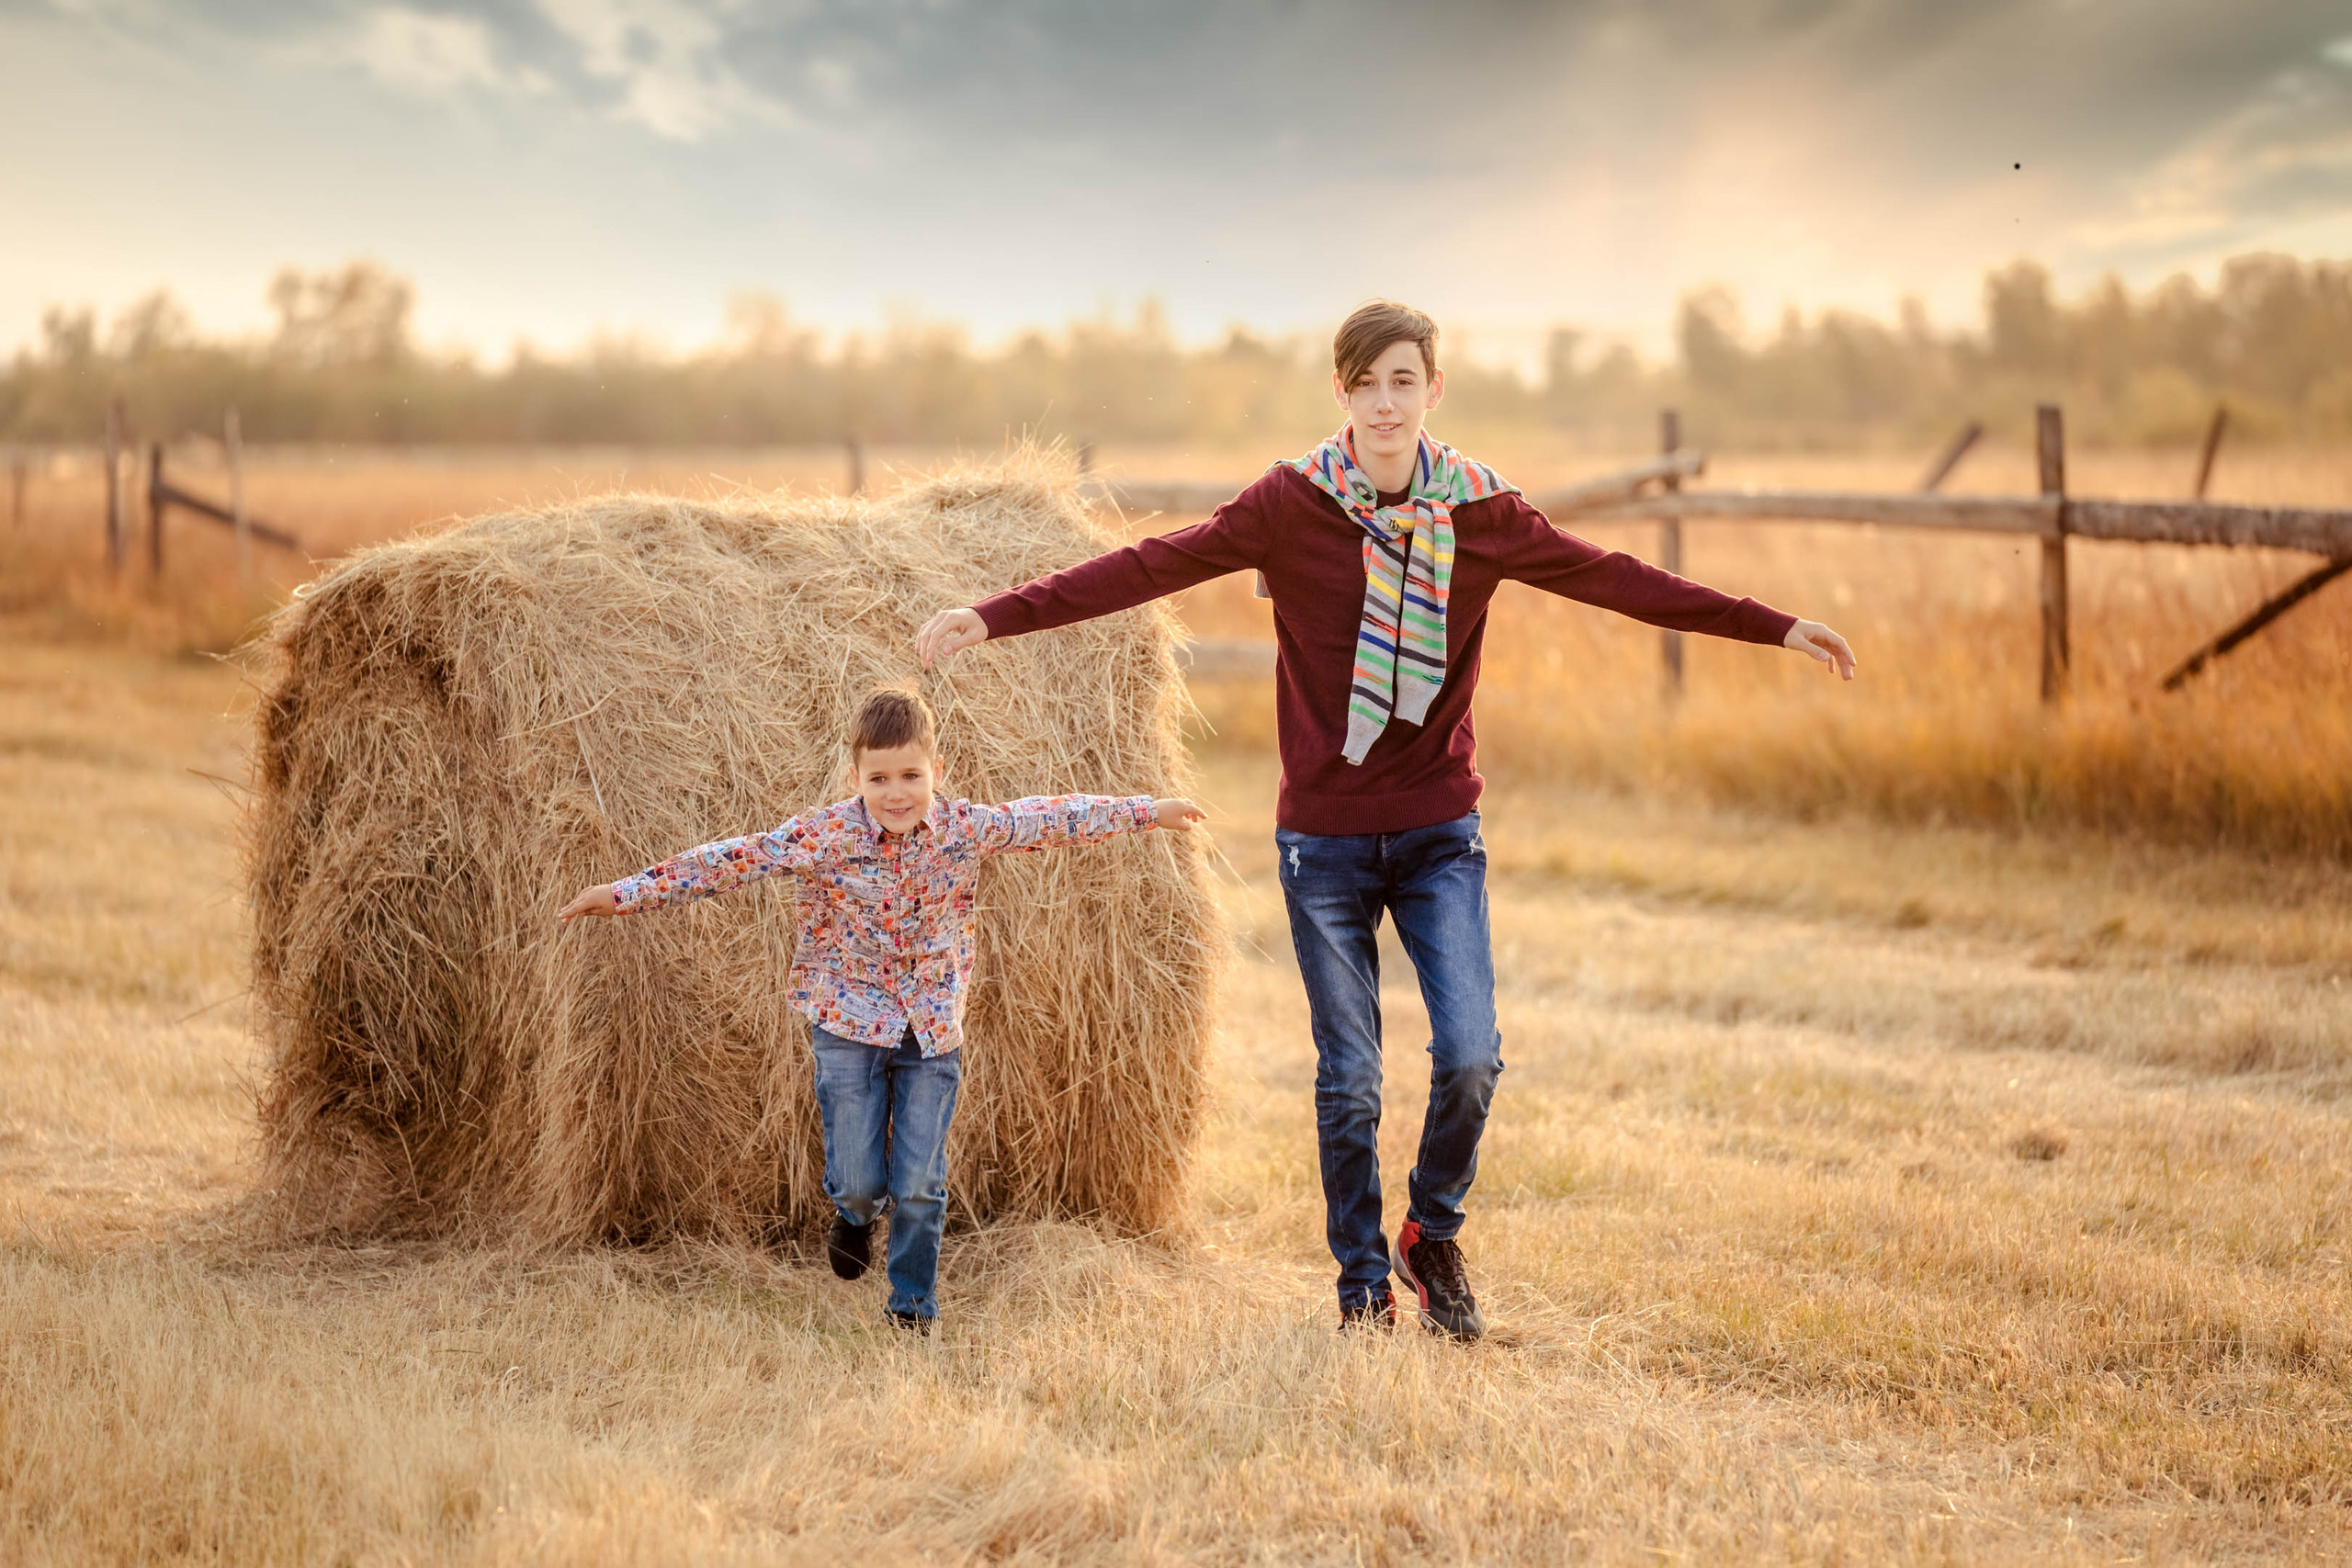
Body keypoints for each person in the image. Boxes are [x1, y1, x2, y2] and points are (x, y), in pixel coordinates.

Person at [915, 300, 1855, 1340]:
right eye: (1364, 384)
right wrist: (995, 615)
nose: (1383, 403)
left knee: (1469, 1057)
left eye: (1403, 381)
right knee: (1351, 1077)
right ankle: (1362, 1284)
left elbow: (1619, 581)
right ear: (1341, 395)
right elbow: (1153, 564)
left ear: (1433, 391)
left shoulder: (1481, 516)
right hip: (1321, 840)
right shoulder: (1291, 504)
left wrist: (1771, 626)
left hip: (1437, 833)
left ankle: (1429, 1234)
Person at [557, 686, 1204, 1334]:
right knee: (863, 1180)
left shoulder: (962, 827)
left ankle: (912, 1306)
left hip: (931, 1030)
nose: (898, 793)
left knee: (921, 1182)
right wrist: (625, 893)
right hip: (847, 1022)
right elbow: (736, 859)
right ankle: (855, 1214)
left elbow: (1053, 817)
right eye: (880, 778)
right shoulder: (826, 834)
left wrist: (1152, 811)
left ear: (937, 772)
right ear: (855, 776)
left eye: (911, 776)